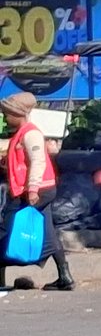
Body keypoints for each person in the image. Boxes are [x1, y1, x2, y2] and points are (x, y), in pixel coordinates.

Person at [0, 92, 74, 290]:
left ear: (19, 114)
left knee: (5, 229)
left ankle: (0, 280)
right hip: (42, 188)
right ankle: (65, 277)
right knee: (49, 234)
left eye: (7, 114)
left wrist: (32, 189)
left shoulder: (30, 133)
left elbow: (38, 161)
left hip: (36, 190)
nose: (5, 117)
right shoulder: (21, 133)